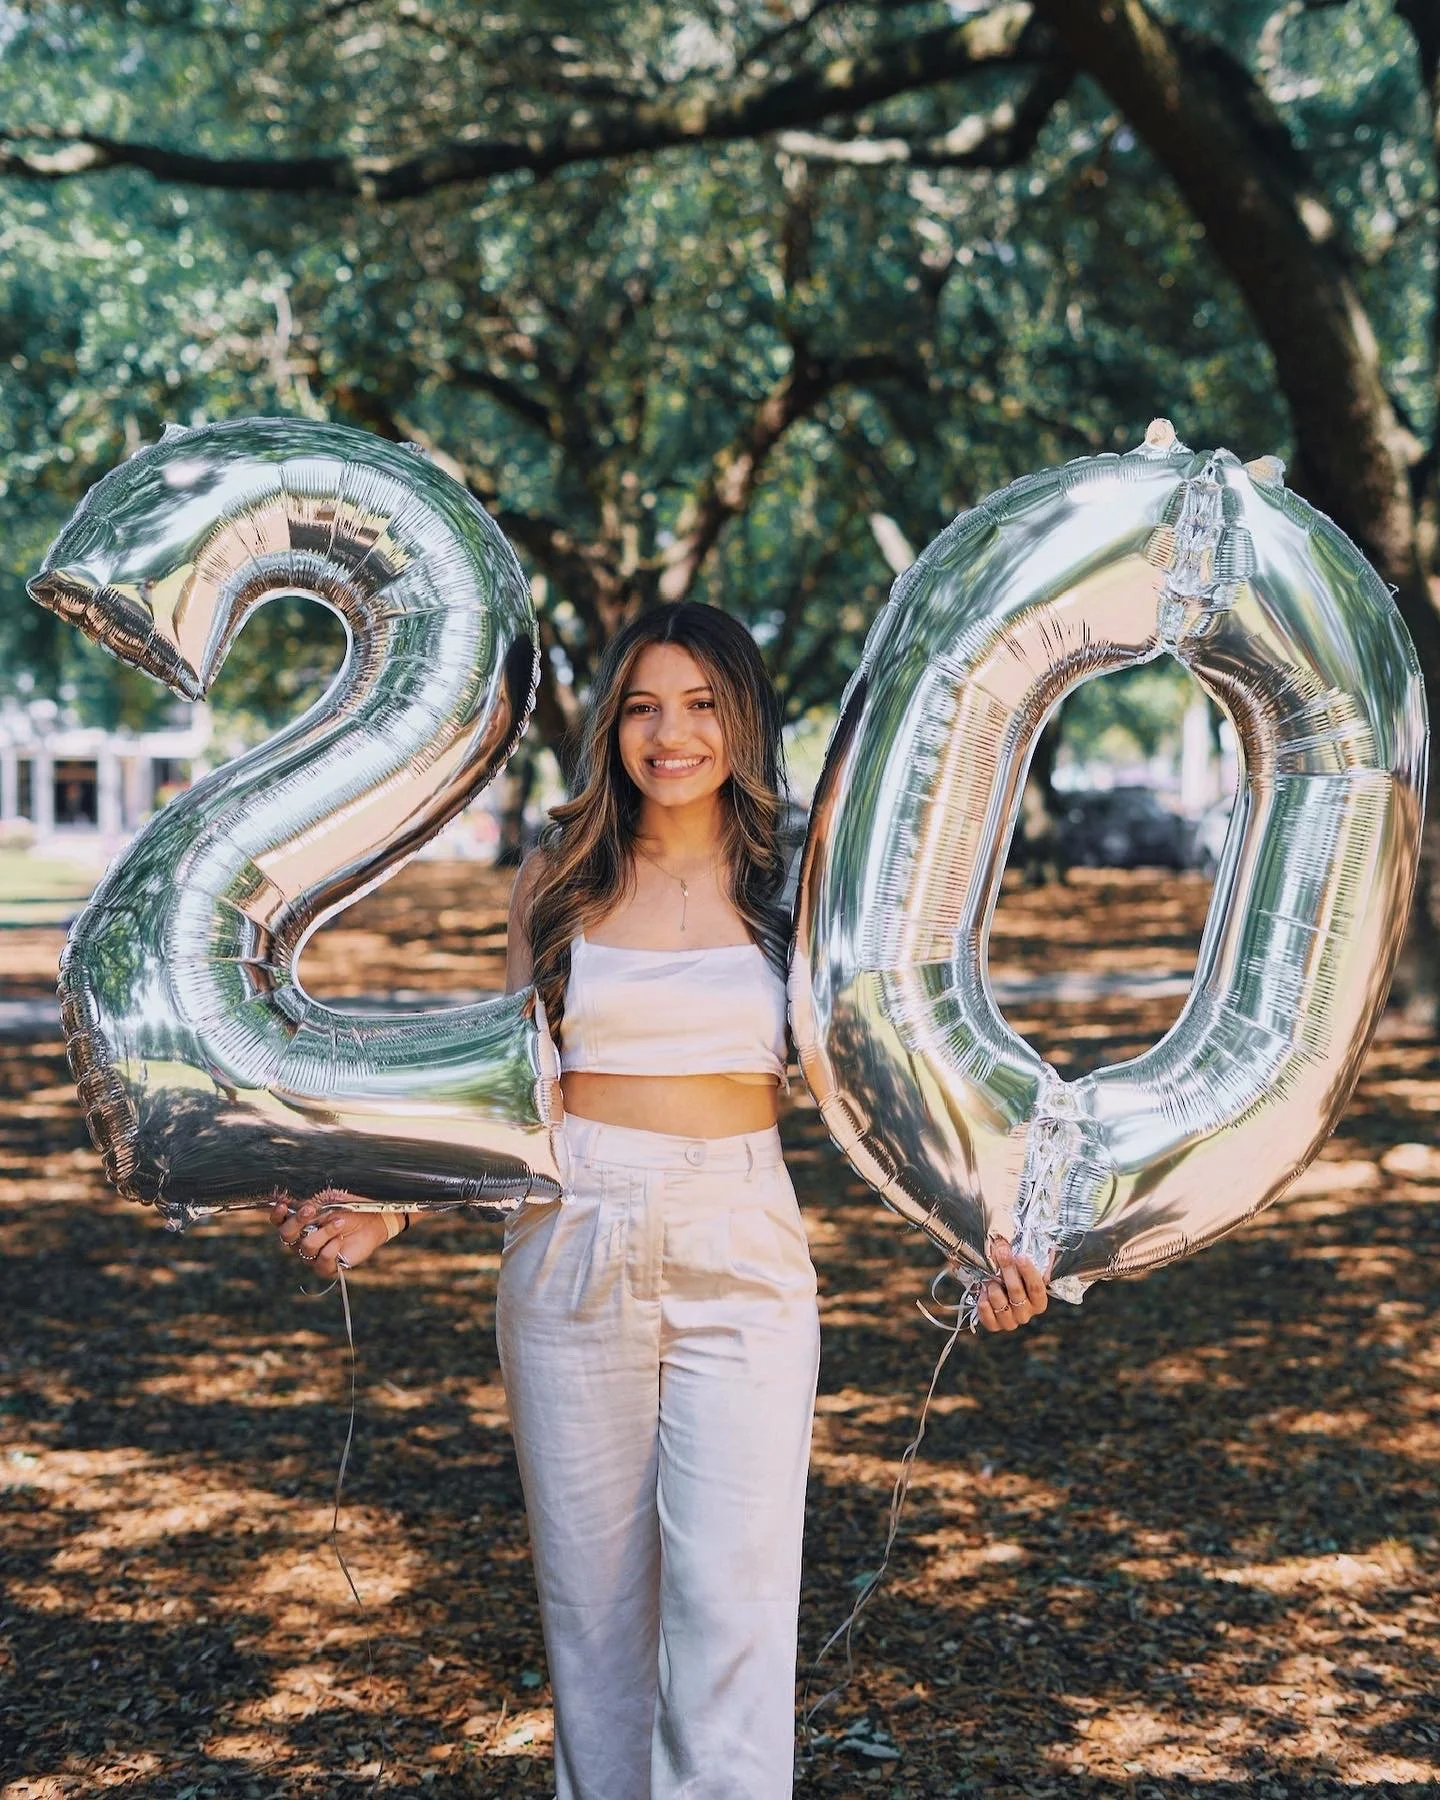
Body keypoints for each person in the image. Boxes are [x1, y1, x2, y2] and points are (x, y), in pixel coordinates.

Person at [272, 601, 1050, 1799]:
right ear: (611, 726)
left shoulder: (806, 877)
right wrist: (396, 1206)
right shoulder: (559, 874)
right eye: (642, 706)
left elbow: (901, 1081)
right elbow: (514, 1087)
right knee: (592, 1621)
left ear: (742, 718)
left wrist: (986, 1228)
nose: (668, 733)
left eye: (698, 705)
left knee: (732, 1609)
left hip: (742, 1239)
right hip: (569, 1234)